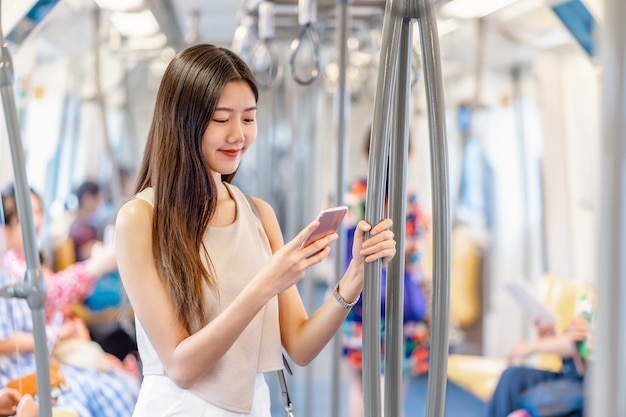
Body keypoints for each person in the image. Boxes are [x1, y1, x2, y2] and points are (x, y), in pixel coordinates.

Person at [114, 43, 397, 416]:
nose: (238, 135)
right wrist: (266, 284)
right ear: (181, 121)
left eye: (248, 118)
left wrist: (354, 277)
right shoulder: (140, 220)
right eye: (221, 119)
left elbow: (300, 346)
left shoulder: (258, 214)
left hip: (253, 405)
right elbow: (180, 366)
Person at [0, 184, 140, 417]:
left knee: (117, 377)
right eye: (27, 214)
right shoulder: (14, 264)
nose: (36, 220)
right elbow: (50, 292)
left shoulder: (29, 259)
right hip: (47, 350)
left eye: (39, 211)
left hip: (56, 342)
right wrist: (97, 265)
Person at [341, 127, 431, 417]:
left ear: (369, 153)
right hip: (402, 306)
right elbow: (417, 255)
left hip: (361, 304)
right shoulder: (411, 203)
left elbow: (341, 249)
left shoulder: (354, 196)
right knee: (394, 392)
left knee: (361, 386)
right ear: (409, 156)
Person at [484, 316, 589, 417]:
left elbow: (574, 346)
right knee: (512, 376)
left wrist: (531, 347)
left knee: (539, 398)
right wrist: (554, 338)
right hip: (570, 372)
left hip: (585, 383)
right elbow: (576, 349)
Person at [68, 181, 103, 262]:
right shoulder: (80, 230)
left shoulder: (80, 222)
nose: (99, 203)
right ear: (87, 198)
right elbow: (86, 254)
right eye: (96, 199)